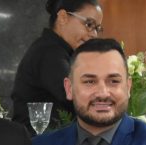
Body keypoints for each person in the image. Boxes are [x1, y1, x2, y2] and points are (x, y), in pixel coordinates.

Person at [11, 0, 103, 132]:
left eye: (97, 28)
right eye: (89, 24)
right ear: (63, 17)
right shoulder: (49, 52)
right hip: (36, 141)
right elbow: (77, 97)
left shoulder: (61, 51)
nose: (94, 34)